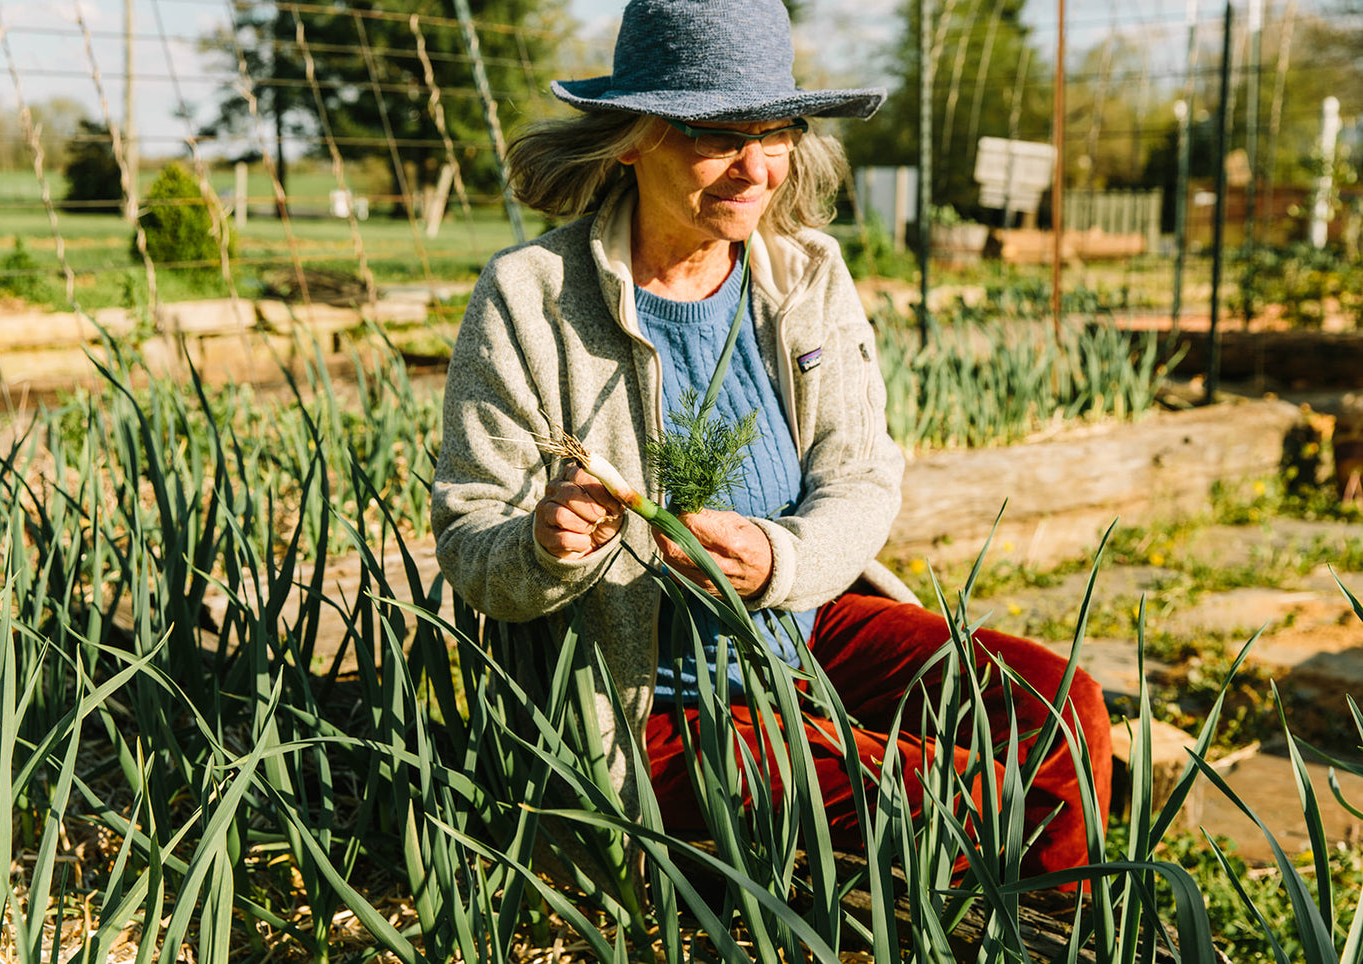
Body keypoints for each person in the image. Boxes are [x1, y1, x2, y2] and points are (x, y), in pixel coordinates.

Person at [430, 0, 1112, 879]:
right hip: (650, 700)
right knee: (949, 798)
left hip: (802, 627)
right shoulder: (531, 297)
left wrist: (778, 557)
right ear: (633, 136)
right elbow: (471, 544)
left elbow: (861, 473)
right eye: (720, 136)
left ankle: (1047, 914)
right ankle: (1033, 913)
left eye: (778, 131)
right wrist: (545, 543)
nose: (757, 169)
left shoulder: (805, 272)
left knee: (1059, 709)